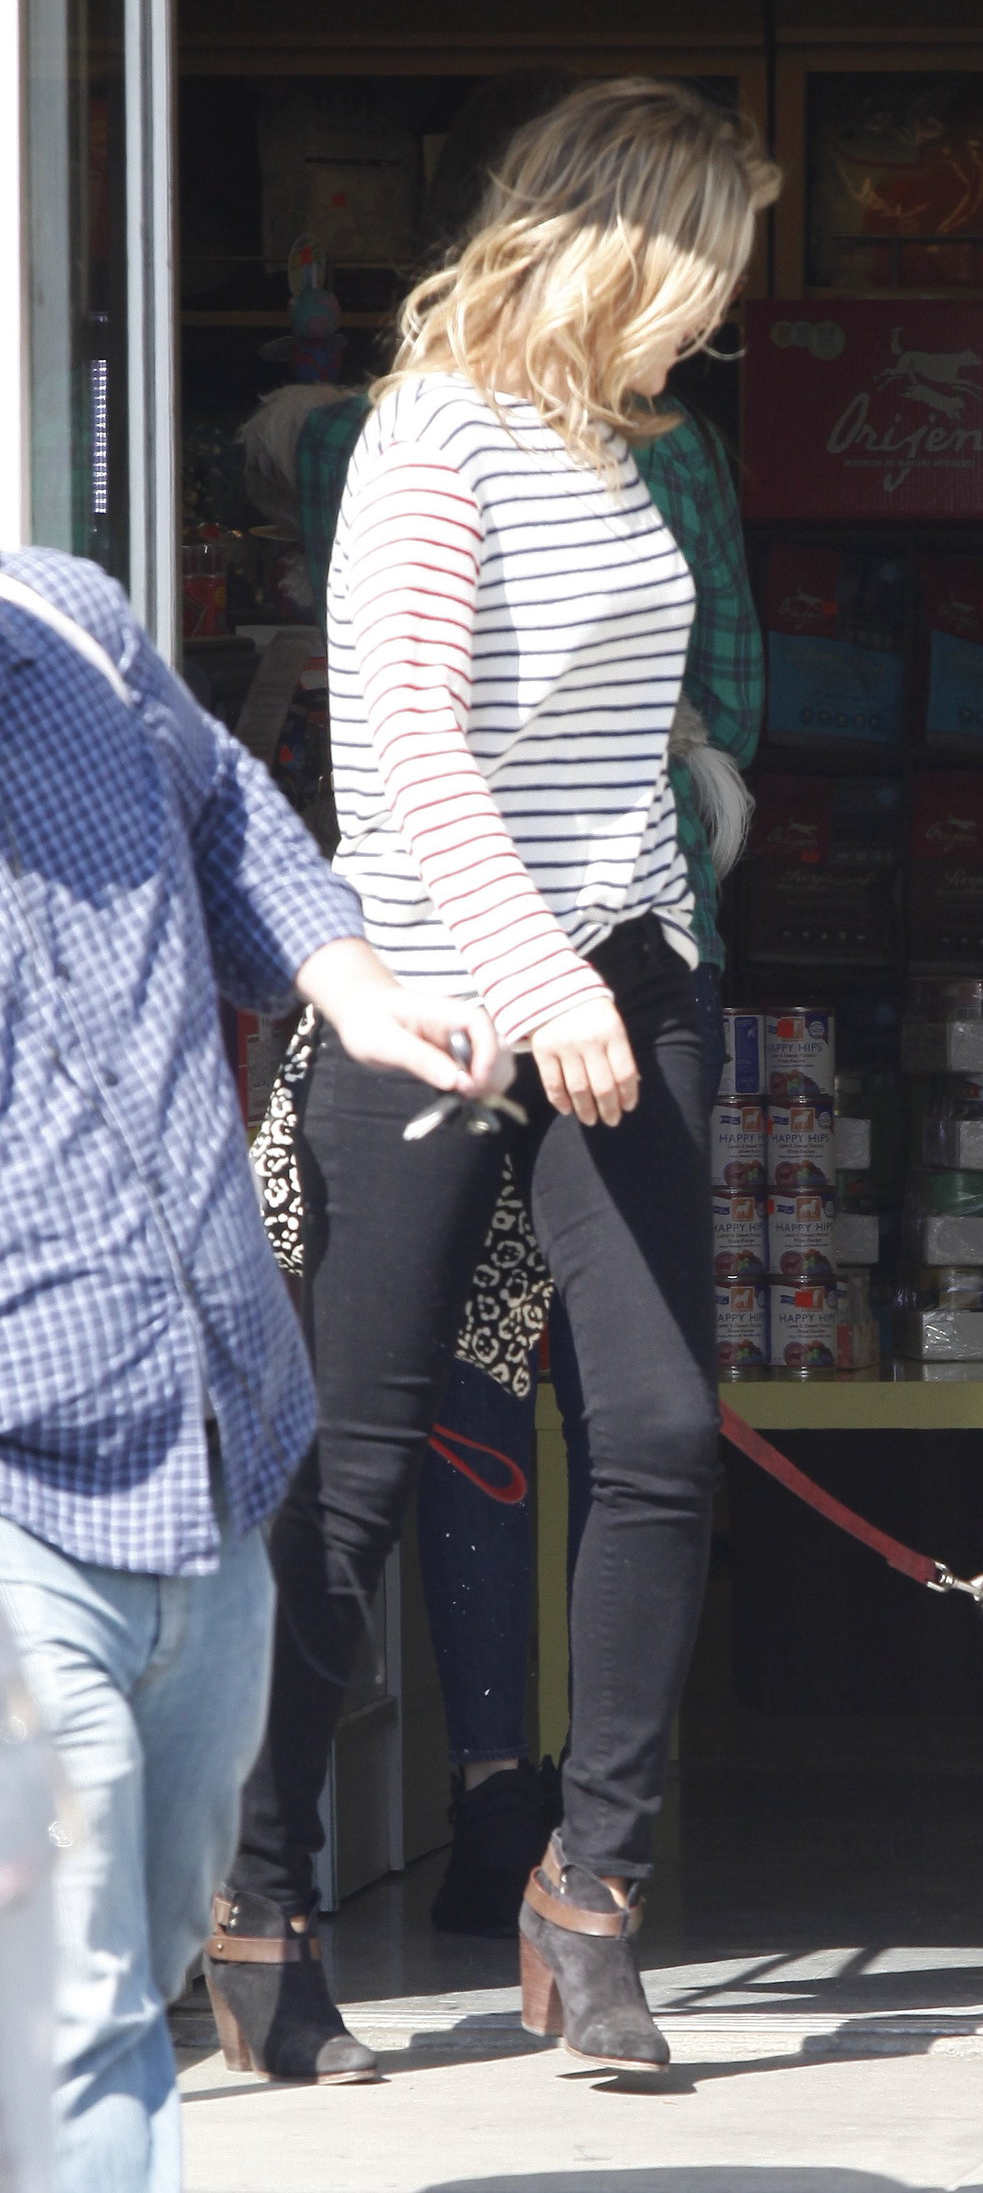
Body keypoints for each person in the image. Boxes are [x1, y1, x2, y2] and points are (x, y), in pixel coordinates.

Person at [211, 78, 780, 2079]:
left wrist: (647, 936)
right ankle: (262, 1892)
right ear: (619, 240)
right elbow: (409, 749)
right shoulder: (429, 435)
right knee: (356, 1469)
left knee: (661, 1432)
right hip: (440, 1000)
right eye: (708, 266)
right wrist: (540, 981)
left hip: (624, 972)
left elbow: (625, 746)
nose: (719, 310)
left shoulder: (620, 446)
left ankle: (588, 1887)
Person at [0, 548, 505, 2191]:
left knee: (133, 1969)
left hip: (213, 1446)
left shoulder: (70, 627)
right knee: (68, 1996)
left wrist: (356, 993)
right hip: (21, 1485)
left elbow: (224, 809)